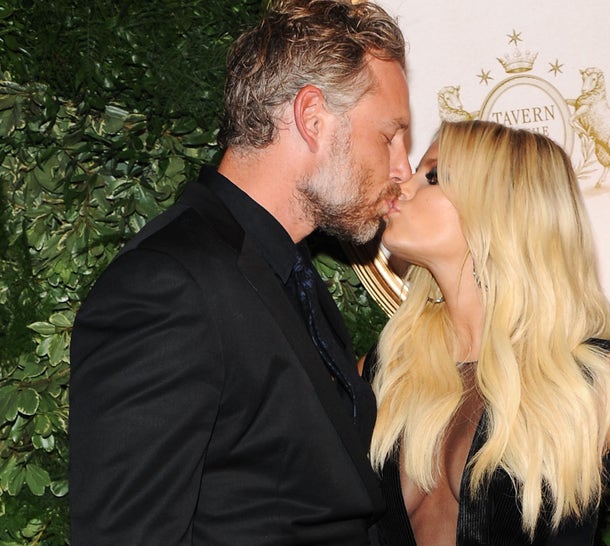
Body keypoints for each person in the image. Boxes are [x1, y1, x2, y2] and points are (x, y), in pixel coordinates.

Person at [70, 1, 411, 543]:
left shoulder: (289, 272)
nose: (402, 168)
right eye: (389, 136)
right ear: (312, 118)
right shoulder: (169, 287)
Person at [365, 120, 610, 545]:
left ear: (501, 209)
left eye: (433, 176)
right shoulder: (386, 370)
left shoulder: (595, 381)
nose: (402, 186)